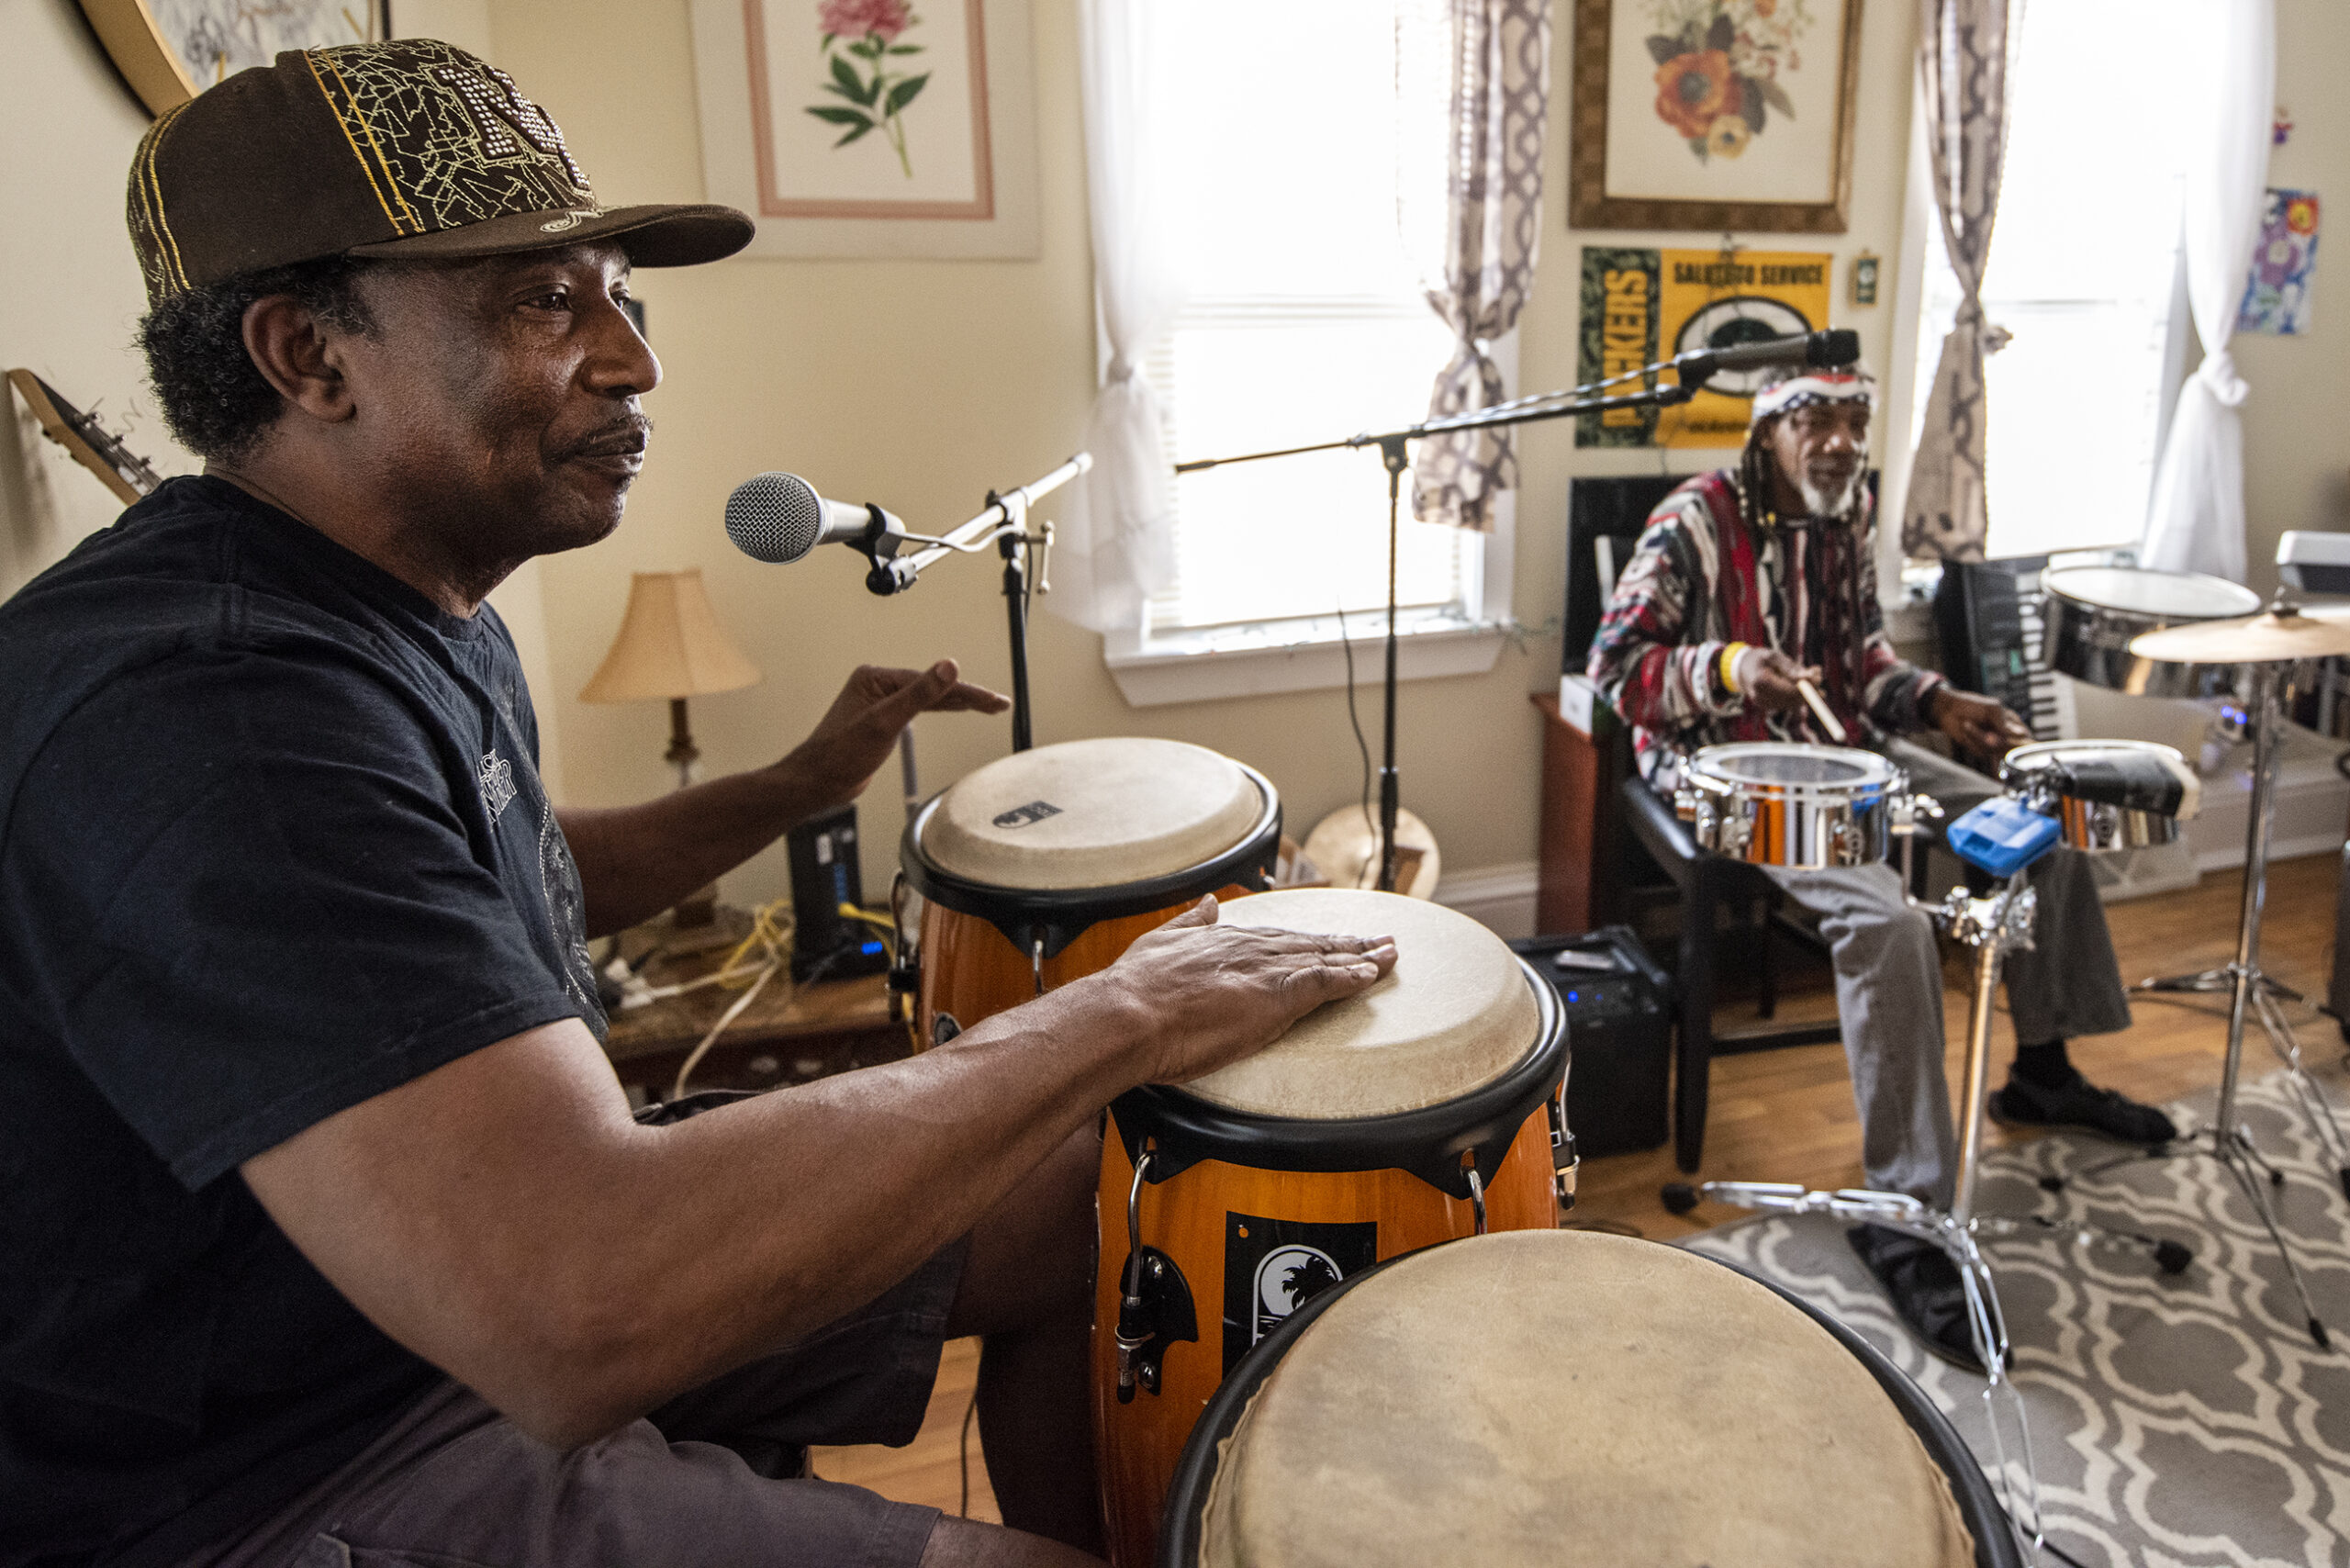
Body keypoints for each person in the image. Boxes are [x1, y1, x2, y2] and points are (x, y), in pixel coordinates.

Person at [0, 41, 1398, 1568]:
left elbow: (474, 902)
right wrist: (1116, 1015)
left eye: (618, 294)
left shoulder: (411, 595)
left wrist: (797, 784)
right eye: (545, 301)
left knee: (1096, 1204)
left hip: (468, 1291)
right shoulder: (212, 709)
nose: (632, 356)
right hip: (281, 1458)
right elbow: (574, 1300)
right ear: (309, 359)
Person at [1586, 364, 2177, 1369]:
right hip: (1728, 769)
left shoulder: (1845, 511)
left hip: (1847, 744)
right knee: (1889, 921)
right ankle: (1905, 1207)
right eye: (1813, 419)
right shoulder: (1694, 519)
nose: (1836, 440)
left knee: (2039, 823)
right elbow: (1614, 670)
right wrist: (1733, 666)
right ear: (1767, 429)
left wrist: (1939, 701)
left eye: (1852, 419)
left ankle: (2042, 1071)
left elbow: (1858, 659)